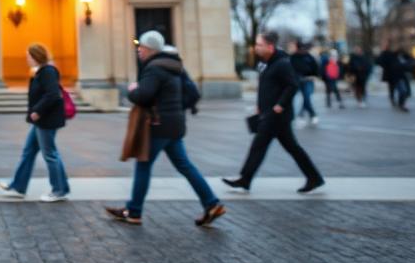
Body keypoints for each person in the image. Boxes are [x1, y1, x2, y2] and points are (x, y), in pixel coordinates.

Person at [104, 31, 225, 226]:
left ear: (150, 49)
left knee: (144, 165)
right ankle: (211, 203)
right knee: (184, 165)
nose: (138, 51)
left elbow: (143, 96)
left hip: (158, 126)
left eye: (141, 47)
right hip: (174, 124)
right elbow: (188, 93)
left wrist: (132, 90)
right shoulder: (173, 66)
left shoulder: (154, 68)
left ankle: (134, 212)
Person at [223, 31, 325, 193]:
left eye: (259, 45)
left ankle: (245, 179)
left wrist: (280, 105)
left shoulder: (282, 63)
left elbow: (292, 85)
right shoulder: (268, 63)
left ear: (270, 47)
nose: (256, 48)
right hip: (270, 114)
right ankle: (314, 178)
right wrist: (260, 105)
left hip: (277, 116)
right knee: (286, 147)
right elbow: (267, 88)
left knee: (262, 146)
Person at [0, 44, 71, 203]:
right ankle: (18, 186)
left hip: (46, 120)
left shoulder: (48, 72)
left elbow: (53, 95)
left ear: (36, 56)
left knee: (50, 155)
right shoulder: (42, 71)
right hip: (41, 120)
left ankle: (59, 190)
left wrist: (37, 110)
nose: (26, 59)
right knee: (29, 152)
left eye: (28, 56)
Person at [289, 40, 319, 125]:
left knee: (306, 98)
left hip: (307, 80)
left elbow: (316, 68)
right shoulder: (293, 57)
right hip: (296, 80)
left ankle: (310, 114)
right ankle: (300, 115)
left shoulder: (309, 57)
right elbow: (289, 69)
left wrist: (313, 76)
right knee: (293, 99)